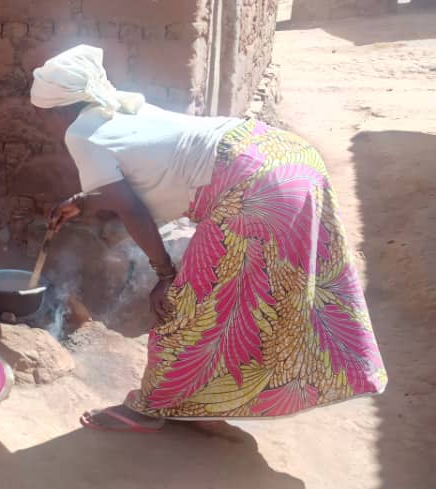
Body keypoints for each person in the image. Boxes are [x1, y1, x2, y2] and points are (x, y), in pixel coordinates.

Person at [32, 45, 387, 432]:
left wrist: (165, 275)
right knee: (275, 292)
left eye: (43, 118)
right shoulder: (119, 106)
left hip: (254, 190)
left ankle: (150, 410)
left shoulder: (80, 134)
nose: (44, 127)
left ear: (60, 111)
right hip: (285, 156)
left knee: (184, 305)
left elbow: (132, 209)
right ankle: (200, 401)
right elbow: (137, 176)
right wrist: (82, 203)